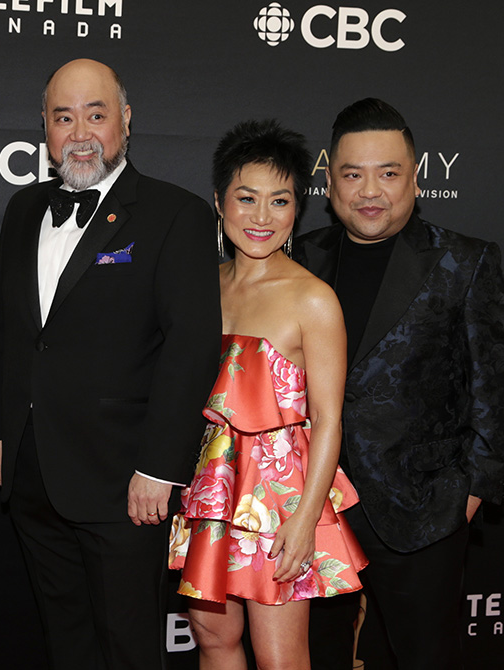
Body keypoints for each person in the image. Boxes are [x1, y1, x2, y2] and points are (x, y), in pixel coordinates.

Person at [0, 58, 221, 669]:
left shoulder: (177, 215)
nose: (80, 131)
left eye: (96, 113)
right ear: (45, 126)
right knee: (67, 642)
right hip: (33, 476)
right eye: (64, 116)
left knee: (130, 647)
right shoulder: (22, 209)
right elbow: (7, 332)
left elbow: (190, 349)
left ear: (126, 121)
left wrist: (162, 469)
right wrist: (1, 430)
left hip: (125, 484)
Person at [297, 98, 504, 669]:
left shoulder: (464, 261)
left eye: (388, 173)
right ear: (330, 182)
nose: (370, 190)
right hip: (311, 513)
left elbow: (495, 391)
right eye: (353, 173)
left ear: (415, 179)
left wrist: (467, 496)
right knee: (317, 656)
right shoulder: (299, 259)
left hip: (422, 512)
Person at [167, 120, 367, 670]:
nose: (261, 217)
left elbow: (328, 420)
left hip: (277, 497)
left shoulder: (314, 300)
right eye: (246, 198)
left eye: (279, 201)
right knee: (213, 639)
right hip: (211, 484)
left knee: (280, 658)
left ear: (297, 209)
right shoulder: (202, 286)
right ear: (219, 200)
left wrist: (305, 519)